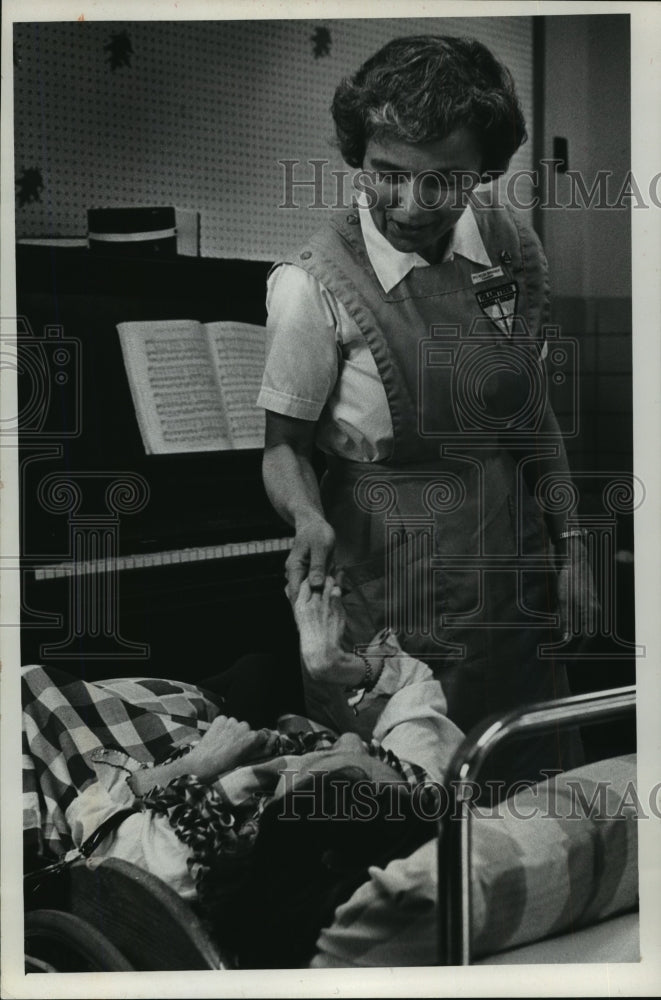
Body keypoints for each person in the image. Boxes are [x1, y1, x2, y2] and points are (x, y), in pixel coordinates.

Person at [258, 35, 598, 786]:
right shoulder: (310, 286)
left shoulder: (513, 251)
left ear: (482, 171)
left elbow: (528, 412)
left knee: (524, 802)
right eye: (387, 174)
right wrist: (306, 518)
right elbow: (282, 447)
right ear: (359, 156)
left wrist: (572, 543)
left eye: (444, 180)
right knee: (400, 810)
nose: (411, 205)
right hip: (384, 588)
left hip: (509, 579)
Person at [23, 576, 464, 968]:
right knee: (257, 669)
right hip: (242, 726)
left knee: (29, 687)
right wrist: (333, 662)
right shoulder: (415, 791)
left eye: (336, 764)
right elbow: (413, 686)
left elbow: (94, 813)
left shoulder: (189, 855)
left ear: (279, 812)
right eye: (374, 757)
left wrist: (197, 764)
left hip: (171, 763)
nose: (350, 738)